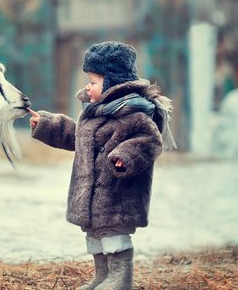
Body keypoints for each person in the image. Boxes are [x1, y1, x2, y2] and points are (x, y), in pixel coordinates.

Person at [29, 41, 176, 290]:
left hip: (118, 197)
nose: (87, 86)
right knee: (97, 237)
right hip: (92, 198)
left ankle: (120, 278)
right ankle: (102, 277)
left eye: (93, 81)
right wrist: (48, 125)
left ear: (112, 84)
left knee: (114, 237)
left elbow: (151, 141)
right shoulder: (95, 113)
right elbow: (78, 137)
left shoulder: (134, 114)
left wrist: (126, 156)